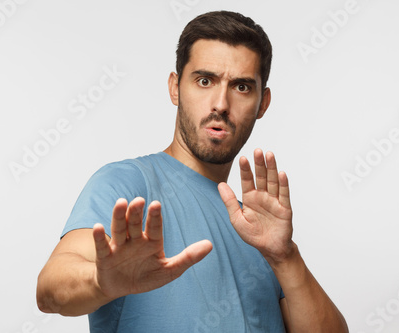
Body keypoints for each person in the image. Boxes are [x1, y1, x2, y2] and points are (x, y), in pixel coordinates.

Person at [36, 10, 349, 333]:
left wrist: (285, 256)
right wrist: (102, 283)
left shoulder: (259, 230)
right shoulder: (127, 183)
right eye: (204, 80)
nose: (220, 104)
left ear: (263, 103)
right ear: (175, 88)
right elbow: (50, 290)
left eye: (241, 87)